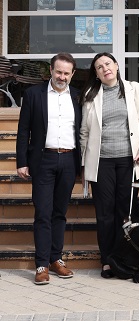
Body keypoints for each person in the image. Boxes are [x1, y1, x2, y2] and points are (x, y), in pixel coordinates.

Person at [79, 52, 139, 278]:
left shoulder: (134, 88)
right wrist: (84, 163)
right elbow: (84, 132)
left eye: (107, 64)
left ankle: (124, 258)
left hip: (128, 160)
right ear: (97, 74)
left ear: (117, 65)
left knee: (125, 212)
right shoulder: (91, 95)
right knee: (104, 214)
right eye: (99, 67)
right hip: (101, 162)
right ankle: (107, 260)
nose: (104, 69)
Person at [16, 52, 81, 285]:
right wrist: (21, 161)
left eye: (66, 73)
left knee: (60, 213)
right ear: (51, 71)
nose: (62, 76)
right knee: (43, 213)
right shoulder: (33, 94)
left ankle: (56, 258)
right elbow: (24, 130)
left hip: (69, 160)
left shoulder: (77, 96)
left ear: (72, 74)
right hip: (43, 160)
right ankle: (42, 264)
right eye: (58, 71)